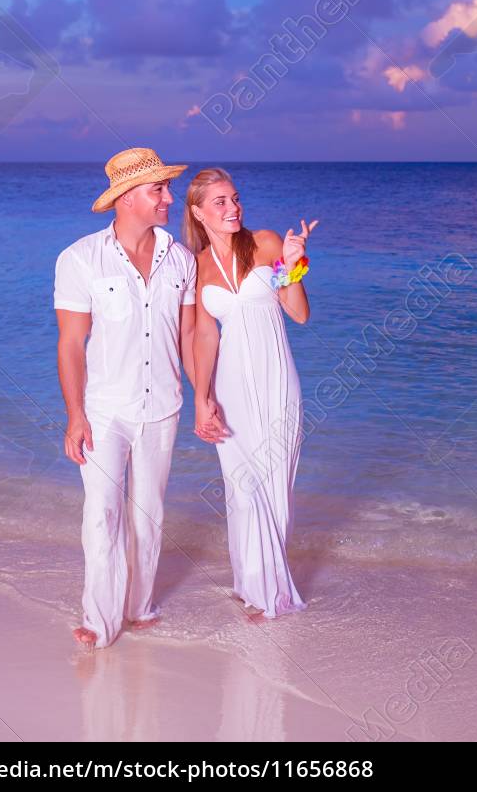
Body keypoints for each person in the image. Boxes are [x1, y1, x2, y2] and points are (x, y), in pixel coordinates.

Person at [53, 147, 211, 648]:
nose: (169, 198)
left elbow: (187, 337)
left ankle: (140, 606)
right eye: (158, 189)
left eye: (166, 188)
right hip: (104, 410)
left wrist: (204, 397)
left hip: (164, 407)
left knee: (149, 513)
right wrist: (75, 415)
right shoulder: (80, 259)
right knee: (101, 514)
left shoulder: (180, 259)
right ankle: (99, 621)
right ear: (126, 198)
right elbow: (71, 344)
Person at [184, 167, 318, 619]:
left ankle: (270, 588)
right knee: (242, 488)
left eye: (235, 198)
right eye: (220, 201)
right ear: (198, 212)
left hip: (279, 376)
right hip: (231, 383)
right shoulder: (195, 266)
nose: (232, 207)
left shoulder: (266, 243)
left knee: (277, 480)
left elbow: (298, 314)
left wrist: (294, 264)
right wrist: (202, 399)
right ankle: (253, 587)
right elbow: (205, 338)